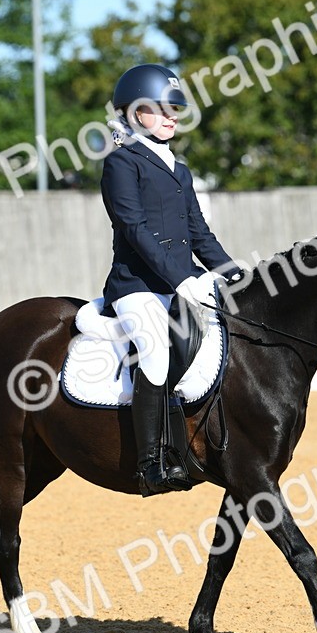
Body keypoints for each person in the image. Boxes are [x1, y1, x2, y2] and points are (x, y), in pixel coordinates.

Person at [100, 63, 241, 496]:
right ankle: (150, 463)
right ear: (134, 113)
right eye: (161, 109)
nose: (171, 117)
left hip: (182, 283)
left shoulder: (180, 169)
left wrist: (233, 273)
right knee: (156, 353)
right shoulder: (121, 163)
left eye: (174, 110)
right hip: (136, 286)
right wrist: (181, 278)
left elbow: (198, 232)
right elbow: (135, 228)